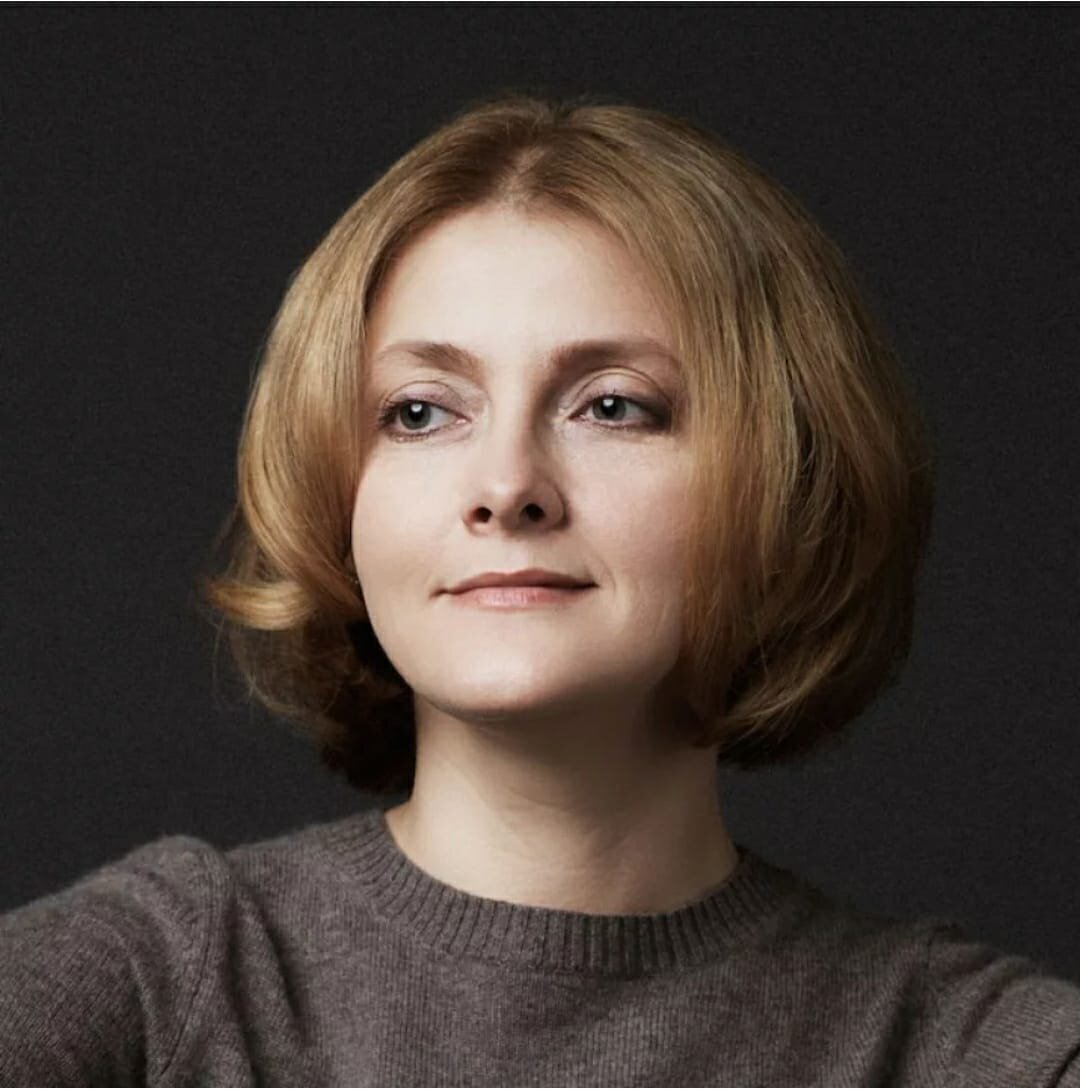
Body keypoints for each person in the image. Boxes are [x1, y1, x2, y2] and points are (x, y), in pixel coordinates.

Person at [2, 91, 1078, 1087]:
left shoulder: (965, 1051)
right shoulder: (161, 978)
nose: (507, 485)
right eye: (421, 412)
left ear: (791, 475)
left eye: (613, 406)